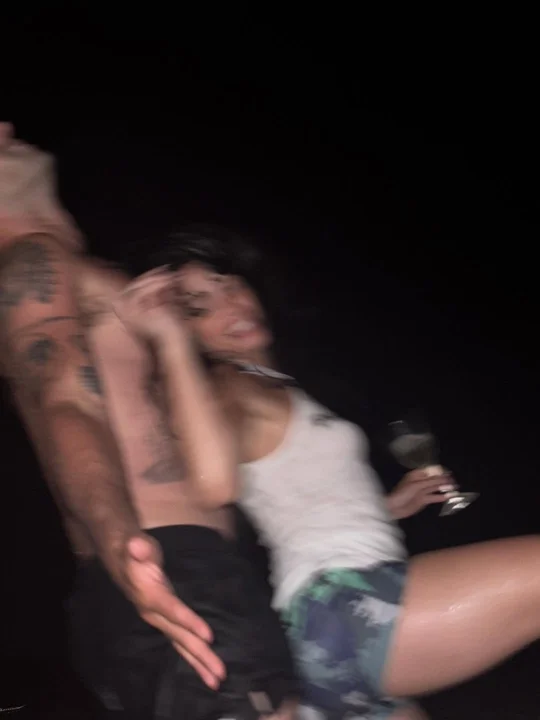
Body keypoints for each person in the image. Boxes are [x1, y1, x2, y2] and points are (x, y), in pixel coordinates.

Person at [140, 224, 540, 719]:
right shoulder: (229, 385)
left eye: (229, 285)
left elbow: (292, 499)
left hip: (328, 636)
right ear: (190, 333)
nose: (232, 305)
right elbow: (213, 484)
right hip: (344, 606)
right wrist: (170, 344)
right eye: (201, 307)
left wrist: (389, 507)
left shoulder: (273, 384)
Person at [0, 125, 298, 719]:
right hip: (166, 566)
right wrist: (122, 547)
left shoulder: (78, 268)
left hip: (195, 569)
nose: (7, 128)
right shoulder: (35, 261)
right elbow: (66, 400)